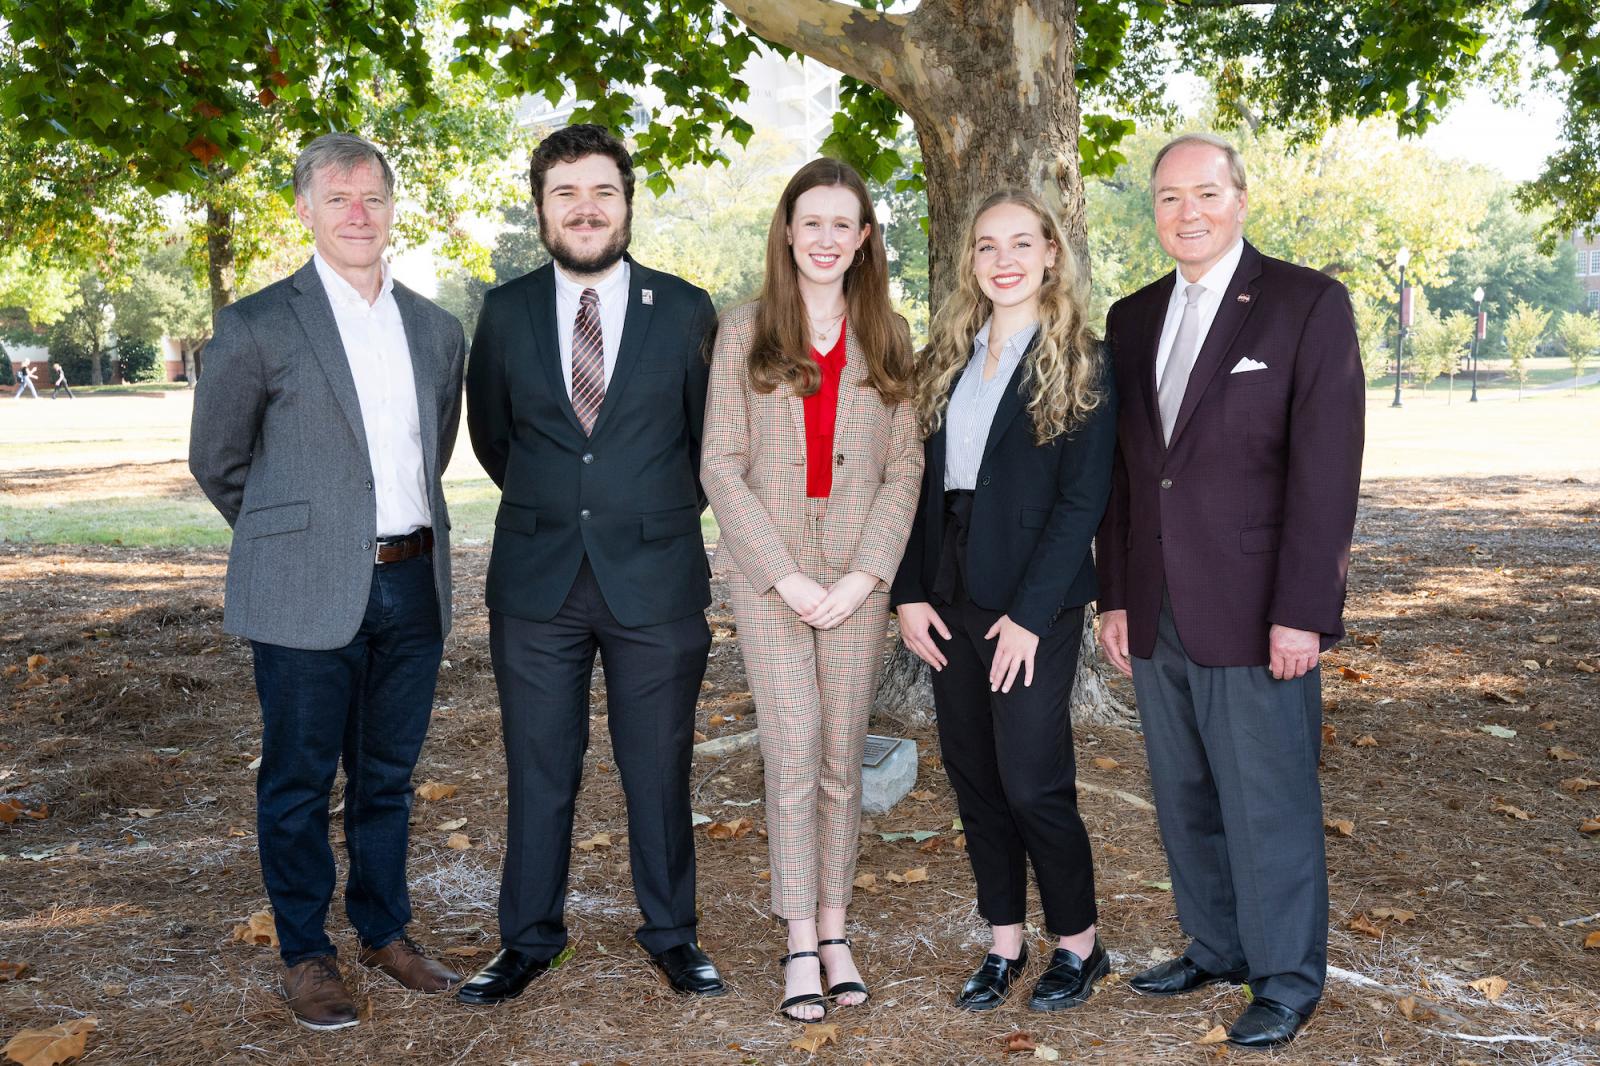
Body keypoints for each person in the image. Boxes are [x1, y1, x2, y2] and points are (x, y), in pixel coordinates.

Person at [189, 132, 466, 1032]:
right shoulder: (258, 324)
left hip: (413, 583)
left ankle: (384, 930)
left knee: (387, 775)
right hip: (304, 591)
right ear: (304, 209)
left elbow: (437, 447)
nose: (358, 213)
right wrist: (298, 543)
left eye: (373, 197)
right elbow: (220, 462)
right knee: (300, 781)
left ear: (393, 210)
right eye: (337, 197)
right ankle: (306, 953)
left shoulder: (435, 328)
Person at [1095, 133, 1364, 1051]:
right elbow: (1128, 478)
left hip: (1258, 610)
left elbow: (1326, 477)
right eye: (1169, 198)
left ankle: (1287, 979)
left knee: (1268, 800)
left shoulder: (1305, 304)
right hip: (1156, 604)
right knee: (1184, 792)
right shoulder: (1130, 320)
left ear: (1241, 200)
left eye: (1206, 194)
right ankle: (1217, 945)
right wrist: (1115, 597)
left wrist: (1305, 612)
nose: (1188, 213)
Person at [459, 124, 725, 1006]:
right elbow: (497, 441)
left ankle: (673, 935)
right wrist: (561, 512)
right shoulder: (503, 312)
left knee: (659, 766)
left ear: (627, 203)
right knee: (538, 765)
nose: (585, 209)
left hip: (654, 580)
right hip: (537, 583)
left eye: (602, 191)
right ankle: (530, 939)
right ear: (541, 208)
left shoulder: (686, 311)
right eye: (565, 193)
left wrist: (634, 515)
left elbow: (704, 446)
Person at [701, 159, 922, 1021]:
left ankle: (836, 930)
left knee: (841, 762)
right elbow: (719, 461)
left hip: (858, 582)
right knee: (794, 750)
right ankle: (797, 938)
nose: (827, 238)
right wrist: (784, 575)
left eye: (845, 224)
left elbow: (905, 468)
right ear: (787, 232)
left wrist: (868, 574)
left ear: (865, 238)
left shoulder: (890, 335)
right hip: (772, 579)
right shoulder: (743, 329)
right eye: (812, 222)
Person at [891, 189, 1117, 1014]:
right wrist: (910, 594)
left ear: (1052, 254)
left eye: (1022, 243)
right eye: (988, 246)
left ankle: (1080, 946)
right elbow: (918, 488)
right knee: (973, 774)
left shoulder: (1083, 359)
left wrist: (1028, 617)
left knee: (1032, 780)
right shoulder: (946, 354)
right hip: (946, 588)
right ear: (971, 261)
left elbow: (1080, 503)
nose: (1005, 260)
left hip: (1032, 601)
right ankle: (1003, 943)